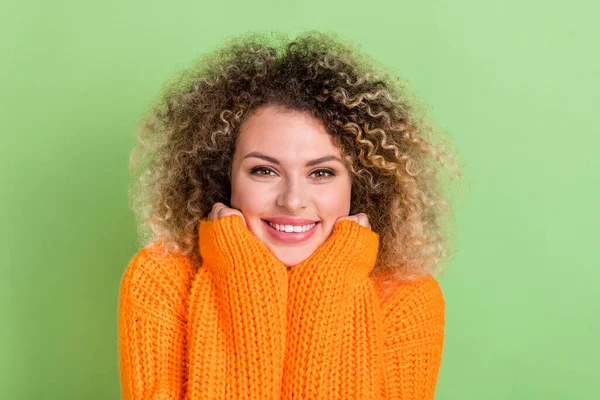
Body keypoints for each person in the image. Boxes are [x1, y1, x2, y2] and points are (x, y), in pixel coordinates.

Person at [118, 31, 461, 399]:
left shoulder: (406, 297)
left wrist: (330, 283)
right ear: (223, 175)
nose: (293, 200)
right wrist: (243, 279)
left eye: (322, 173)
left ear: (359, 184)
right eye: (264, 171)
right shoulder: (162, 281)